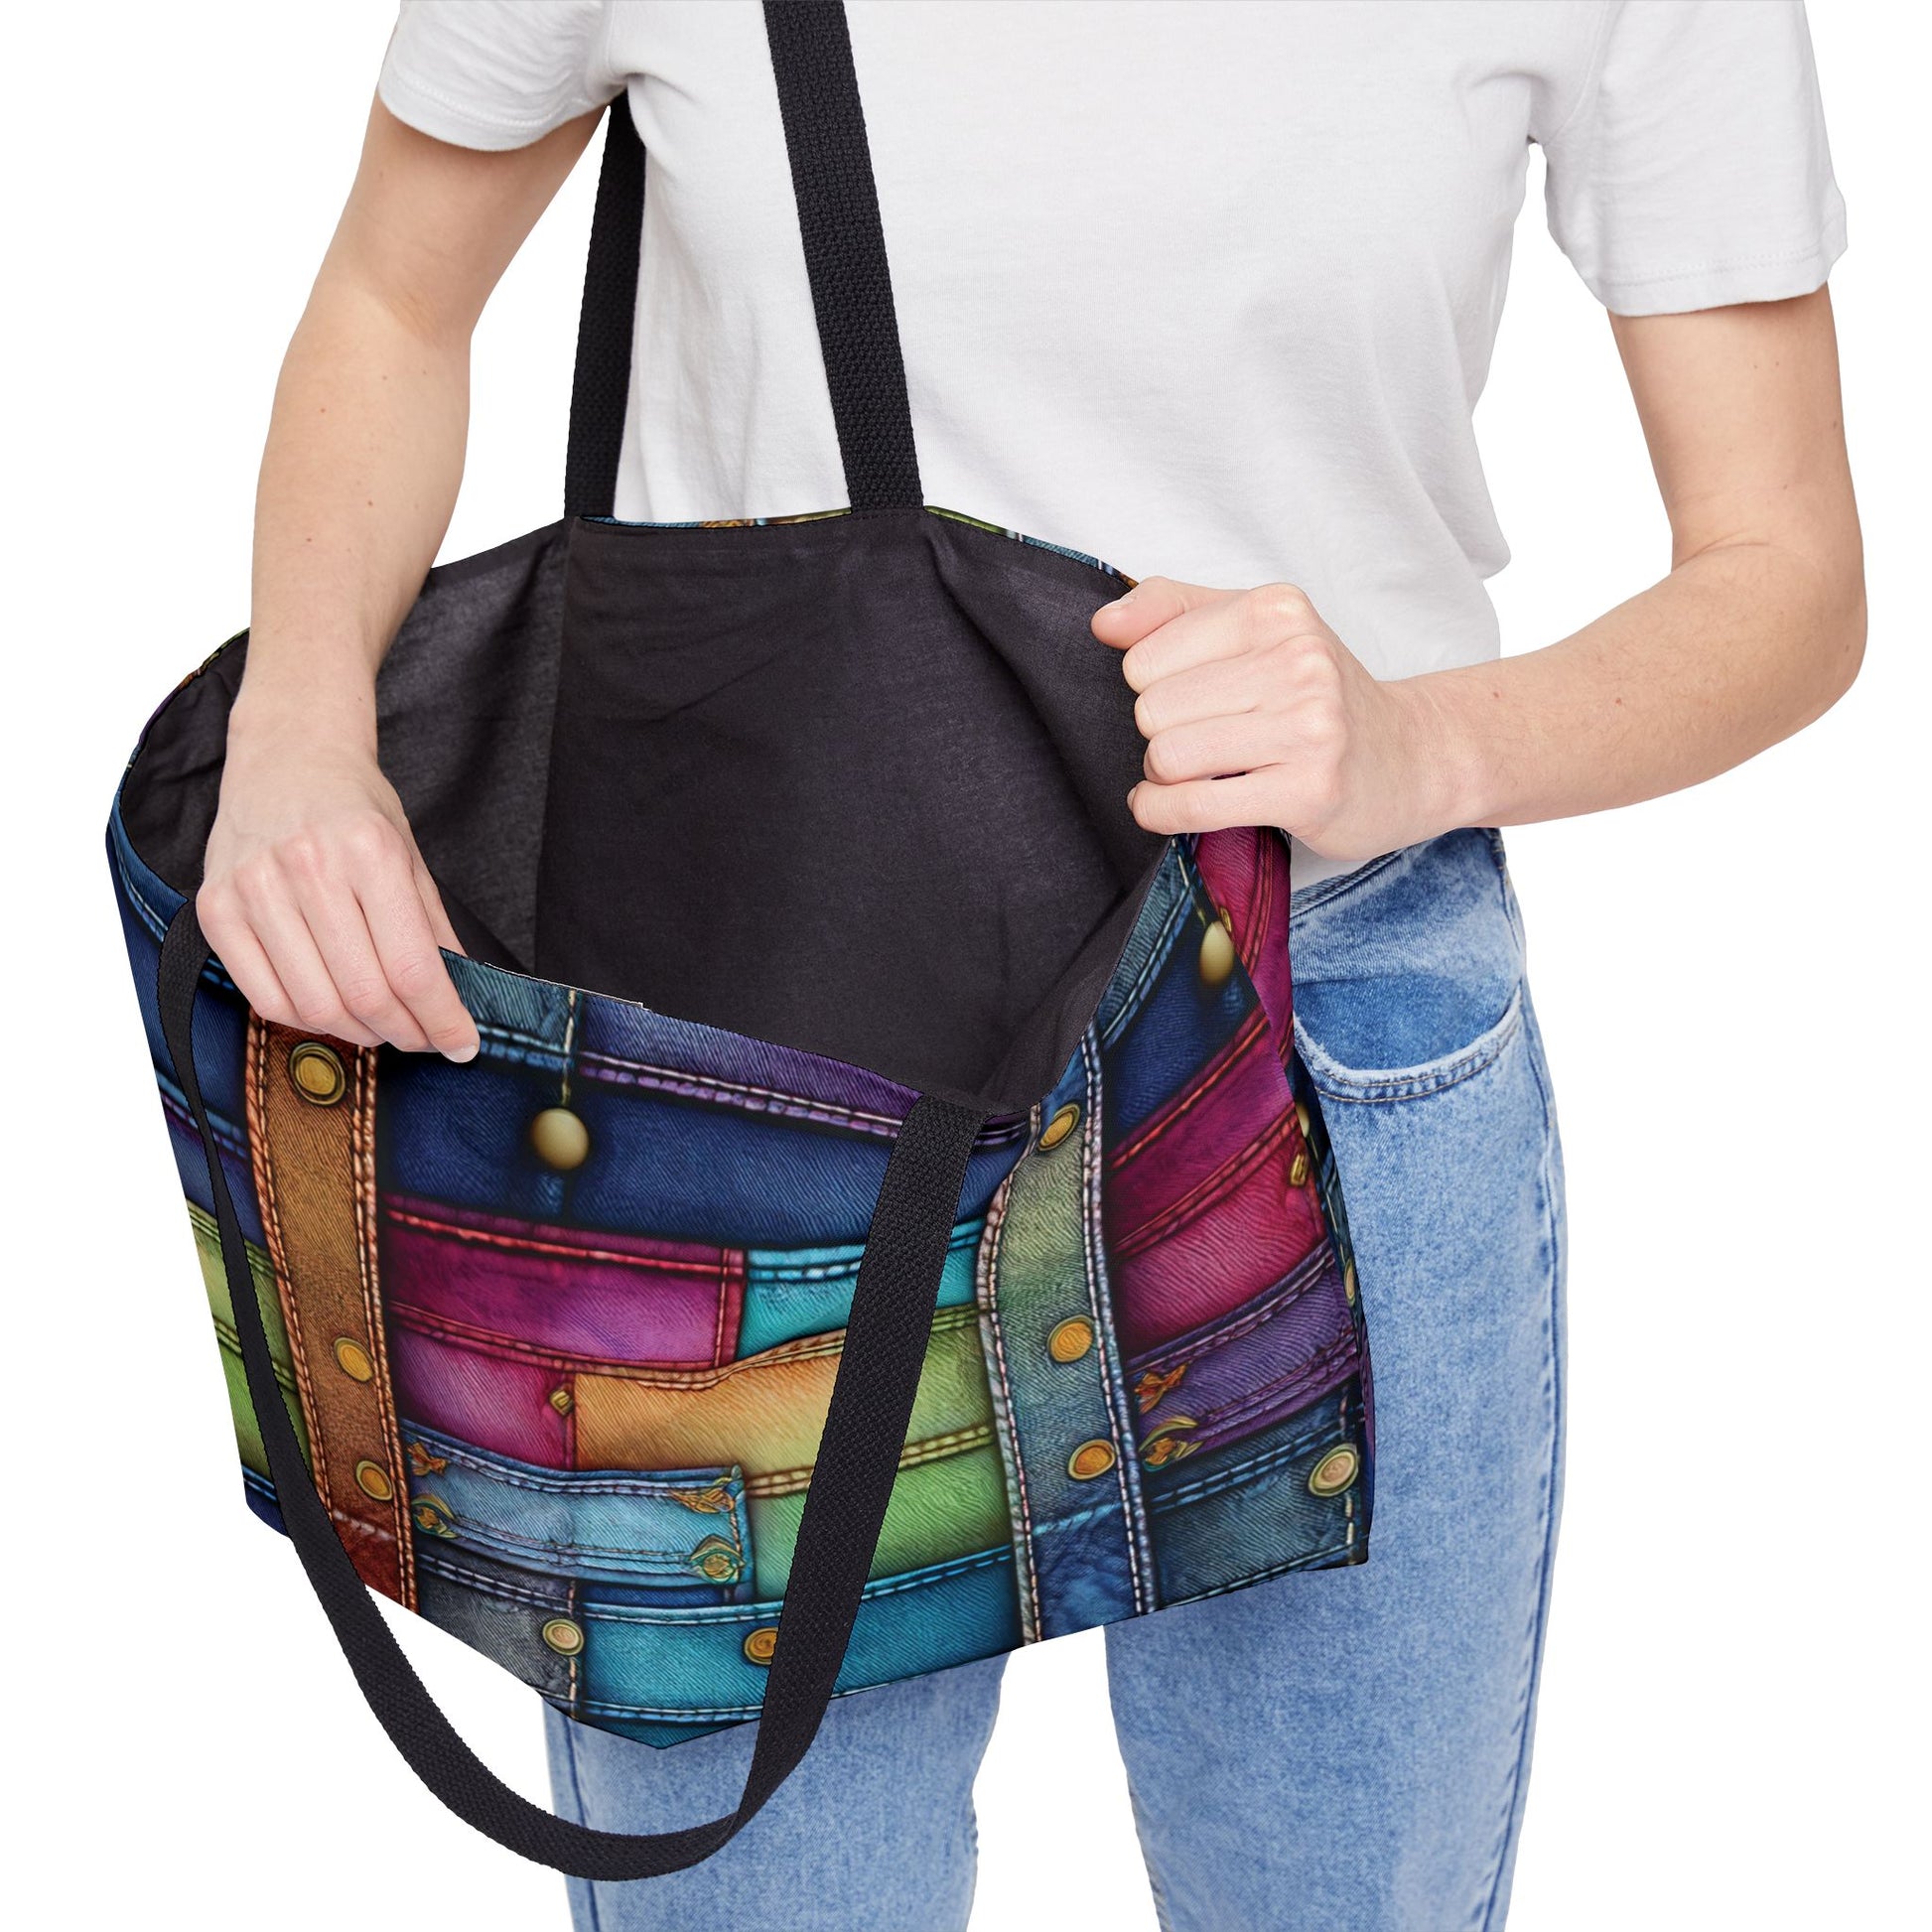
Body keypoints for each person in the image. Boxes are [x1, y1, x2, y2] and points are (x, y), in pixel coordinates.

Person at [196, 4, 1862, 1927]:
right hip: (756, 1038)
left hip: (1319, 1005)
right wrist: (297, 732)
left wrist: (1424, 743)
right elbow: (393, 302)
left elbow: (1785, 570)